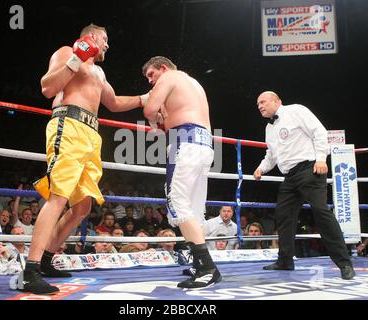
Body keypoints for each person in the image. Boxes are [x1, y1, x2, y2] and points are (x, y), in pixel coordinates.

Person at [19, 24, 147, 294]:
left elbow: (113, 103)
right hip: (69, 124)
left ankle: (44, 260)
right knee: (58, 197)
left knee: (82, 208)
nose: (108, 45)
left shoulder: (99, 71)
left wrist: (143, 99)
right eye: (104, 39)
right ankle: (30, 271)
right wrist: (76, 58)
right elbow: (47, 88)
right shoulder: (68, 51)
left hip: (91, 134)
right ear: (89, 37)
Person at [253, 91, 355, 280]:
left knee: (321, 212)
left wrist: (321, 159)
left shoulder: (296, 111)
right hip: (289, 177)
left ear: (277, 101)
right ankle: (285, 260)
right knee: (283, 216)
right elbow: (272, 155)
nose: (259, 106)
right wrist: (261, 168)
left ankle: (344, 263)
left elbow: (319, 132)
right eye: (257, 103)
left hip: (310, 169)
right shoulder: (269, 129)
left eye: (263, 101)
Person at [141, 56, 221, 288]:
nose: (151, 82)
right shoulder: (192, 83)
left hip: (184, 142)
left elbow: (149, 109)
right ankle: (199, 264)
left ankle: (207, 268)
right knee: (194, 210)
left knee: (177, 203)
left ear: (163, 68)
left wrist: (155, 118)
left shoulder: (170, 77)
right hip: (204, 145)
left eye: (151, 75)